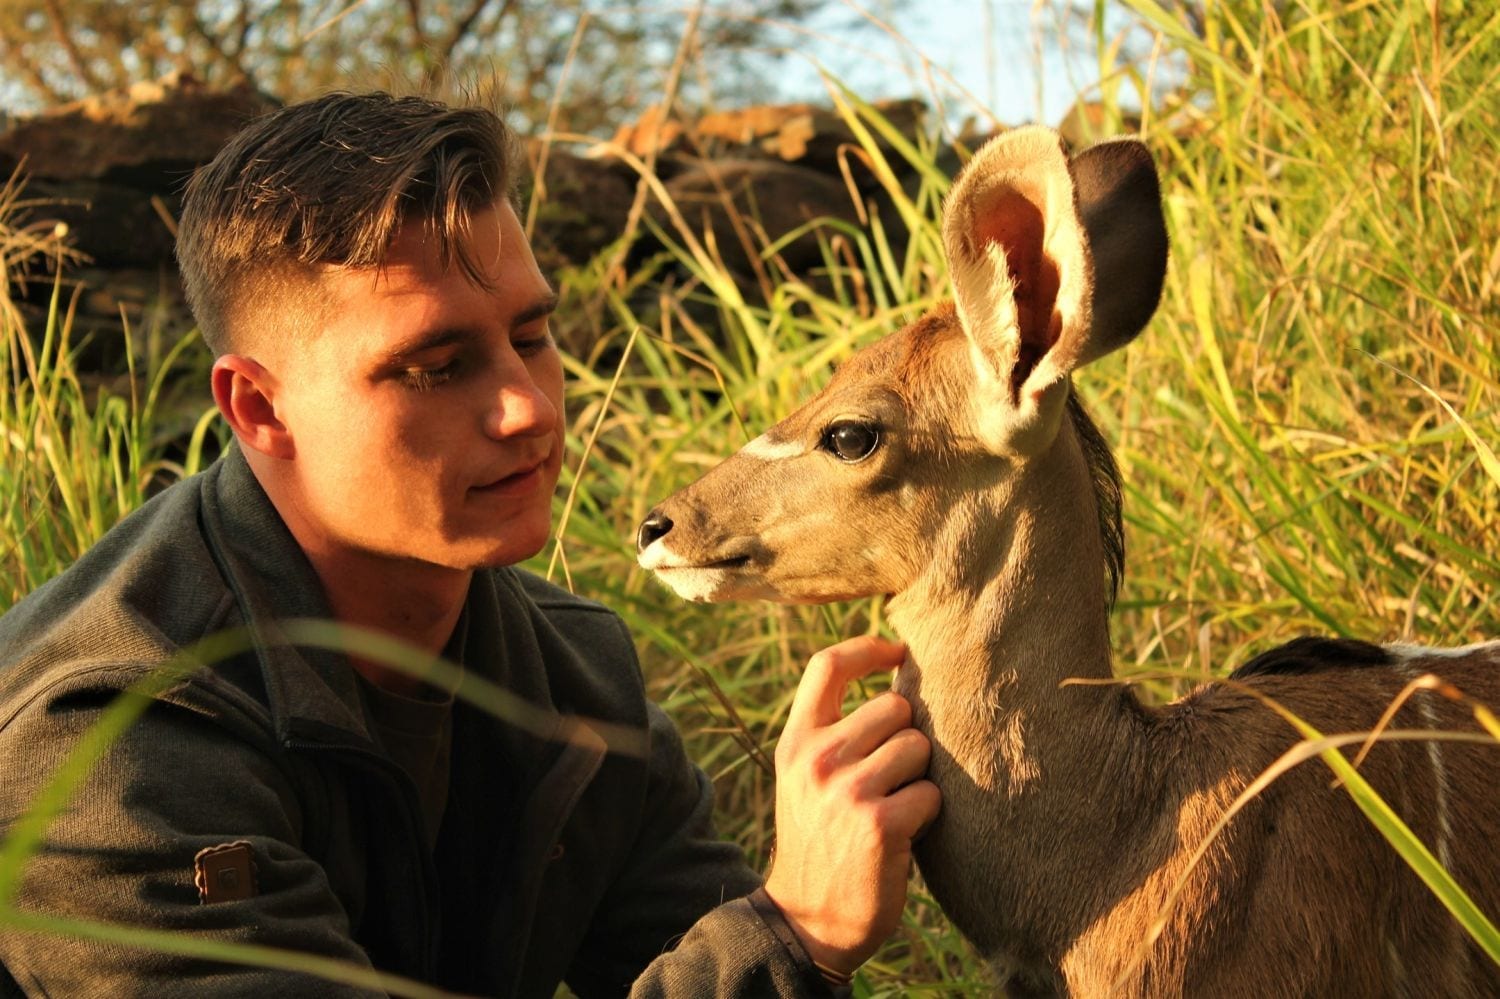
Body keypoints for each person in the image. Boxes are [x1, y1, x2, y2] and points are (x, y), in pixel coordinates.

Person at [0, 91, 940, 996]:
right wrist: (795, 930)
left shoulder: (568, 671)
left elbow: (695, 948)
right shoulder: (114, 751)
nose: (528, 408)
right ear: (259, 407)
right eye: (435, 367)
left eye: (532, 337)